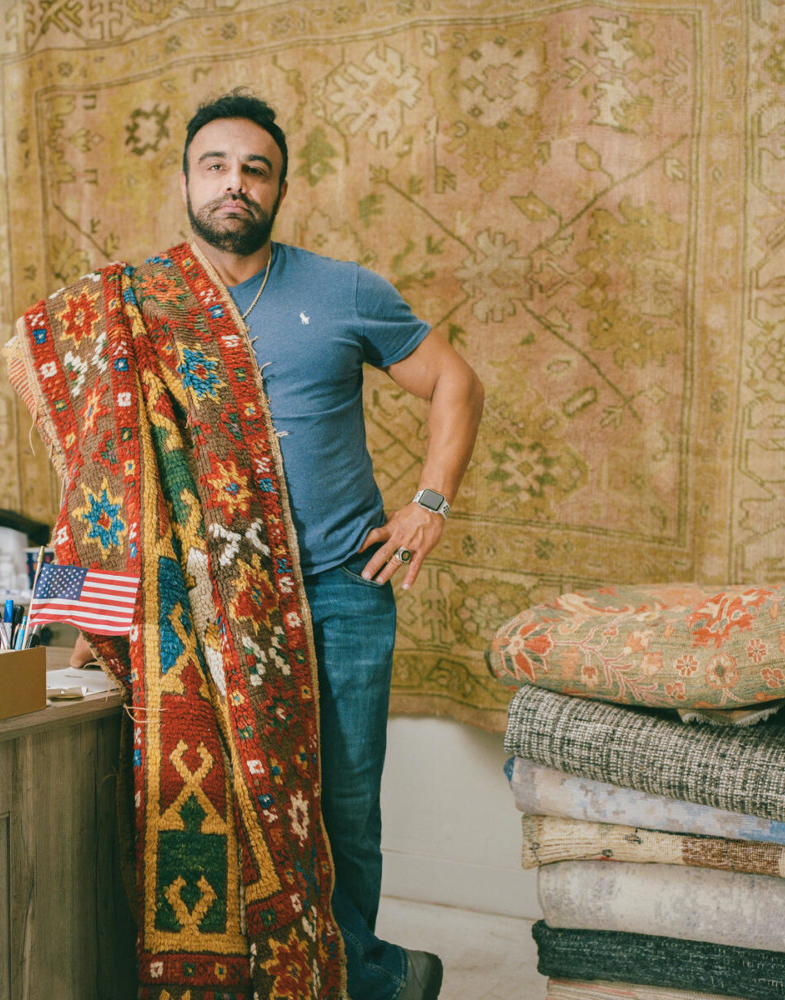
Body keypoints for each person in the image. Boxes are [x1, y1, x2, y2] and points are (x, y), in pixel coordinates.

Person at [71, 89, 483, 1000]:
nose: (235, 183)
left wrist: (429, 504)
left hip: (341, 585)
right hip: (205, 601)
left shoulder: (344, 290)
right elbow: (98, 461)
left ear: (281, 189)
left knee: (345, 803)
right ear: (186, 181)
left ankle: (355, 975)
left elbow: (455, 381)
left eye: (255, 170)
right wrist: (83, 607)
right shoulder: (138, 305)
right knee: (217, 798)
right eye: (215, 165)